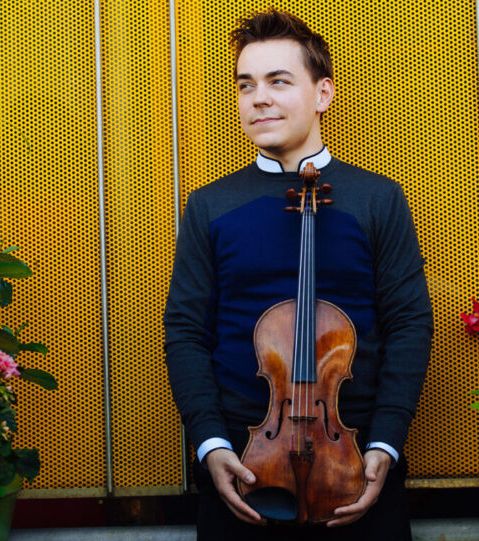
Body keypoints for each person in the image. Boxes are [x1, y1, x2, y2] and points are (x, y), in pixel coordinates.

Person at [163, 8, 433, 540]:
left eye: (278, 81)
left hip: (354, 466)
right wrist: (210, 444)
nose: (258, 98)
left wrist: (385, 444)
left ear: (323, 94)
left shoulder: (377, 198)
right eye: (246, 85)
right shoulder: (210, 206)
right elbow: (186, 332)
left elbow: (409, 325)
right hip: (244, 465)